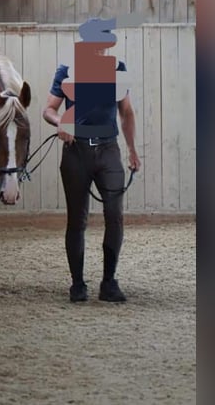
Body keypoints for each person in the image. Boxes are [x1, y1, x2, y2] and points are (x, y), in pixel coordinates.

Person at [42, 52, 141, 303]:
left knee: (115, 215)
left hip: (109, 150)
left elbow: (126, 112)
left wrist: (132, 150)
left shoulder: (118, 69)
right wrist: (61, 123)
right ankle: (77, 284)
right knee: (77, 218)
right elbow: (49, 109)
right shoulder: (66, 70)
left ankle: (109, 282)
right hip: (76, 151)